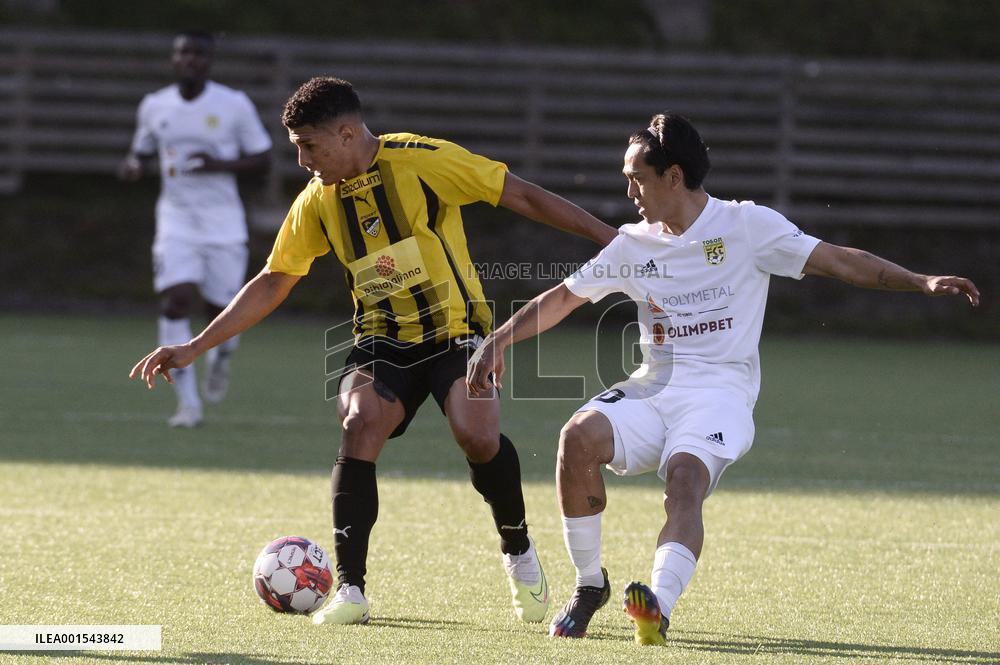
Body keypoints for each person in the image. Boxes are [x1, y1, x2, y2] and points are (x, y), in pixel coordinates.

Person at [467, 111, 980, 645]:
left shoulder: (746, 226)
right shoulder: (632, 243)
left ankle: (657, 607)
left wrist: (919, 281)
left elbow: (837, 261)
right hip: (654, 387)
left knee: (684, 481)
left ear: (674, 176)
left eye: (637, 177)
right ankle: (590, 585)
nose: (629, 189)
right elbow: (562, 299)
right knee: (576, 437)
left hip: (720, 394)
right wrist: (498, 340)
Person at [130, 76, 617, 626]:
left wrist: (612, 239)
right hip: (380, 342)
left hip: (456, 333)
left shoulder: (423, 160)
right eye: (296, 146)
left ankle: (519, 552)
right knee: (360, 425)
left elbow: (520, 193)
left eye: (308, 145)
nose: (301, 159)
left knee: (477, 436)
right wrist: (195, 345)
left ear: (345, 133)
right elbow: (274, 279)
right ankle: (351, 590)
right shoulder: (317, 199)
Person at [119, 30, 273, 427]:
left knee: (222, 311)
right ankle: (187, 404)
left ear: (209, 60)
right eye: (184, 53)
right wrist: (135, 167)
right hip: (176, 221)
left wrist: (218, 165)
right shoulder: (155, 105)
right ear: (174, 59)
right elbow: (142, 152)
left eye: (199, 54)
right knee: (176, 299)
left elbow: (262, 158)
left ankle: (221, 357)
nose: (191, 60)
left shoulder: (233, 104)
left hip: (223, 224)